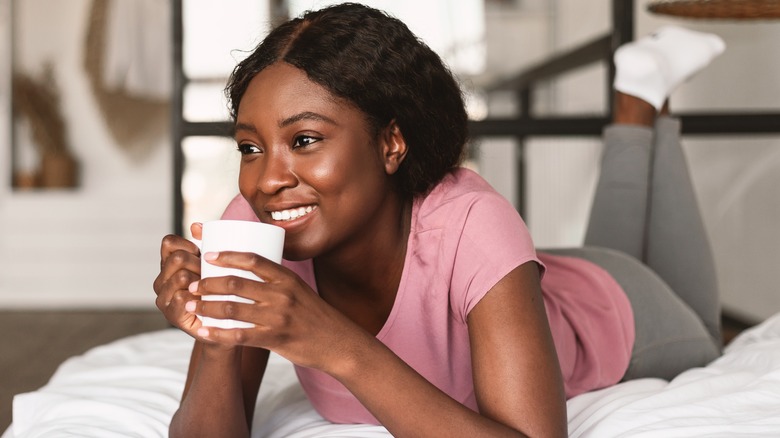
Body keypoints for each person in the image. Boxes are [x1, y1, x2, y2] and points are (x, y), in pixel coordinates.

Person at [152, 4, 725, 437]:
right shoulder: (255, 226)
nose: (267, 180)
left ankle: (644, 104)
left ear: (391, 144)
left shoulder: (473, 218)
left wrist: (336, 345)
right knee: (600, 246)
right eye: (250, 149)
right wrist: (218, 338)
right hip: (530, 276)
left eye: (304, 140)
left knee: (706, 323)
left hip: (621, 311)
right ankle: (641, 94)